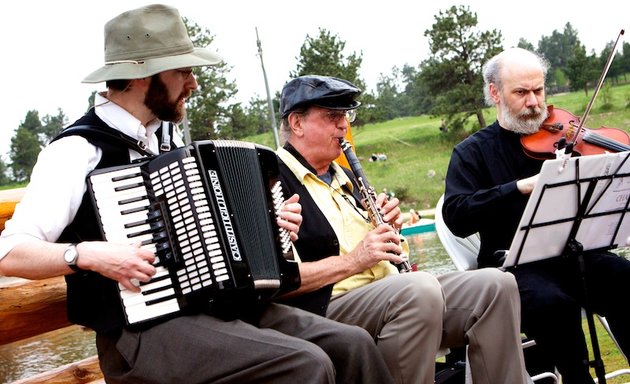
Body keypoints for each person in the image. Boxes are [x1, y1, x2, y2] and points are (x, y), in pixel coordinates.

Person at [0, 6, 395, 384]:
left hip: (219, 310)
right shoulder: (77, 151)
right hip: (140, 334)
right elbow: (11, 252)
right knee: (304, 364)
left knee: (352, 344)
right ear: (142, 74)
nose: (194, 83)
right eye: (183, 71)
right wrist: (86, 254)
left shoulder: (168, 141)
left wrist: (274, 229)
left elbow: (217, 236)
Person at [275, 74, 529, 384]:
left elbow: (384, 257)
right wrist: (356, 260)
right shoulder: (272, 180)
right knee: (417, 291)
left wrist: (391, 232)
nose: (344, 126)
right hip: (324, 308)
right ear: (297, 123)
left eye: (346, 115)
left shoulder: (345, 178)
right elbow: (281, 280)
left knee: (496, 286)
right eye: (332, 116)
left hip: (392, 294)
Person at [442, 47, 630, 383]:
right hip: (512, 267)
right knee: (553, 303)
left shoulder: (565, 140)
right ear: (495, 93)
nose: (534, 102)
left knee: (625, 278)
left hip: (574, 255)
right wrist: (517, 188)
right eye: (521, 92)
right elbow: (456, 214)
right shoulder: (471, 152)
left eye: (539, 90)